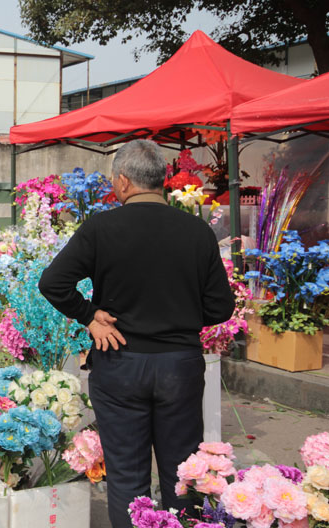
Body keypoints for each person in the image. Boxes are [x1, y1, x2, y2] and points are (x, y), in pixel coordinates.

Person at [37, 140, 235, 528]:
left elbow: (52, 282)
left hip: (119, 363)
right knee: (183, 476)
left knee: (127, 477)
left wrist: (90, 314)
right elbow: (220, 309)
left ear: (123, 182)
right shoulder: (196, 231)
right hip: (180, 367)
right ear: (160, 181)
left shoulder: (101, 228)